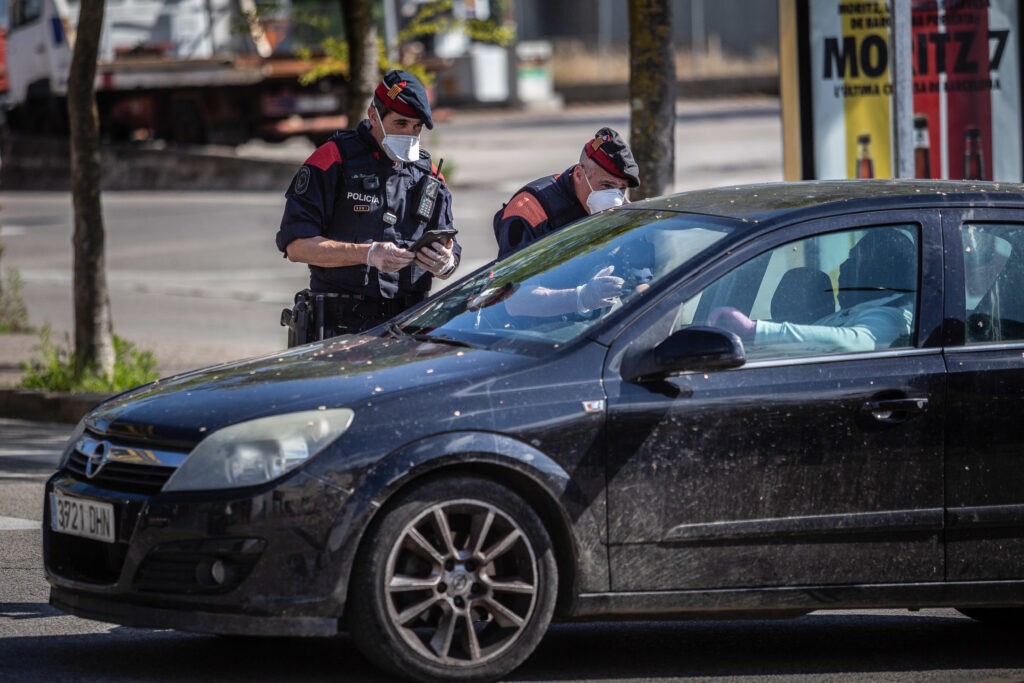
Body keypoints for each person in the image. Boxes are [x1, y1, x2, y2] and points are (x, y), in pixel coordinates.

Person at [276, 69, 460, 345]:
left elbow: (449, 246)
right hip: (341, 329)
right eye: (400, 124)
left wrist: (446, 263)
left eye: (417, 128)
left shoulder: (429, 173)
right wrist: (368, 254)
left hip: (410, 328)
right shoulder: (332, 159)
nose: (410, 135)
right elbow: (296, 247)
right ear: (374, 116)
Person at [708, 229, 917, 353]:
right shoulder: (855, 312)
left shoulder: (891, 317)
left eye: (857, 259)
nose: (844, 265)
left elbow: (855, 341)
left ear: (884, 269)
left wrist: (755, 332)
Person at [493, 127, 641, 260]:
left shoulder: (622, 207)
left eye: (622, 187)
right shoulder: (528, 210)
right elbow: (512, 286)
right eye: (606, 185)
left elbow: (639, 263)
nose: (614, 196)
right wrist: (580, 292)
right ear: (578, 175)